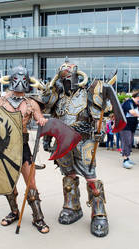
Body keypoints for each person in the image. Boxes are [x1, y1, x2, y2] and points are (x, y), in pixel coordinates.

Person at [31, 58, 122, 237]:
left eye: (69, 77)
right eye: (62, 78)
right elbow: (52, 117)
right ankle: (72, 207)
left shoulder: (87, 93)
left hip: (84, 141)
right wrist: (48, 139)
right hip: (63, 142)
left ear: (77, 77)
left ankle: (99, 213)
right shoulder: (58, 97)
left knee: (90, 177)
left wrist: (99, 130)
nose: (66, 81)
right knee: (68, 175)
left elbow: (99, 116)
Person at [0, 66, 49, 233]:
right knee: (8, 184)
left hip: (23, 147)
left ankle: (38, 218)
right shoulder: (0, 101)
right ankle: (14, 212)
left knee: (31, 183)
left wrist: (42, 120)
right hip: (4, 148)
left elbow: (40, 118)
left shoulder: (31, 102)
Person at [120, 91, 139, 169]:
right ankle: (125, 160)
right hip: (125, 127)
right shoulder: (129, 102)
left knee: (130, 142)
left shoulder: (135, 104)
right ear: (137, 97)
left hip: (132, 127)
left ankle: (127, 158)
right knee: (126, 142)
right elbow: (132, 113)